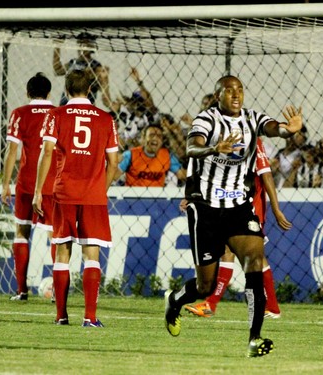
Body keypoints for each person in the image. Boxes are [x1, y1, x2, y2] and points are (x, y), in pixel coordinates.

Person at [164, 75, 303, 358]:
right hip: (206, 208)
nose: (236, 94)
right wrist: (214, 148)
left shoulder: (252, 118)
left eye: (239, 89)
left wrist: (289, 130)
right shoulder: (206, 120)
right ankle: (175, 300)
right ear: (218, 96)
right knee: (205, 286)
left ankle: (254, 339)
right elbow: (192, 147)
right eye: (229, 91)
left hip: (239, 205)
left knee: (254, 261)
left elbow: (273, 127)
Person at [32, 69, 119, 327]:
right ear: (90, 89)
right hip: (93, 196)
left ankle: (61, 316)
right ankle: (90, 318)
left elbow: (47, 152)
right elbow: (113, 163)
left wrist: (39, 191)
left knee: (62, 253)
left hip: (63, 193)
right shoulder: (105, 118)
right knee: (92, 255)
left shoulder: (56, 115)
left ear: (67, 90)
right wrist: (99, 190)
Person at [183, 138, 292, 319]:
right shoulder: (219, 135)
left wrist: (276, 209)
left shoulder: (252, 137)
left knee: (250, 254)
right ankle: (213, 304)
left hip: (249, 202)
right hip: (227, 202)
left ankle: (269, 306)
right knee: (229, 250)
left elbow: (266, 174)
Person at [1, 72, 57, 301]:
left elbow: (12, 151)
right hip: (53, 183)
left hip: (25, 184)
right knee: (57, 236)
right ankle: (57, 293)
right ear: (49, 92)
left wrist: (5, 184)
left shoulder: (19, 114)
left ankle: (21, 290)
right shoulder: (58, 114)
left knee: (22, 233)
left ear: (28, 92)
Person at [112, 123, 186, 187]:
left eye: (159, 136)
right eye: (151, 135)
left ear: (162, 141)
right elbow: (114, 177)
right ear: (144, 138)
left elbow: (181, 175)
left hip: (157, 197)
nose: (155, 138)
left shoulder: (167, 156)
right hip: (132, 197)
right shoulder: (130, 155)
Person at [53, 32, 110, 107]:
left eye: (84, 44)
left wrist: (103, 78)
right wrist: (57, 46)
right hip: (66, 104)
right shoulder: (73, 62)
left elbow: (102, 89)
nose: (81, 46)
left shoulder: (96, 65)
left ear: (90, 46)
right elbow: (57, 70)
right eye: (79, 43)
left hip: (85, 106)